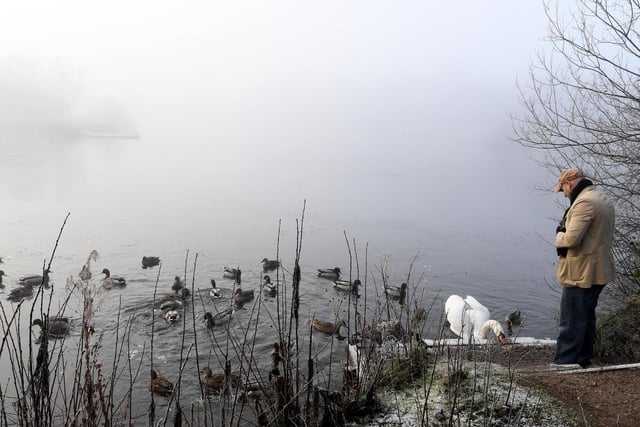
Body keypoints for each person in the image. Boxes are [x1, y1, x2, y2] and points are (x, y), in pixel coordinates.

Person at [553, 168, 615, 368]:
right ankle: (583, 359)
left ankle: (565, 363)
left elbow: (570, 238)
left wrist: (558, 236)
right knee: (586, 317)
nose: (564, 194)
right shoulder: (601, 198)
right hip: (598, 269)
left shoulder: (584, 202)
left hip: (582, 272)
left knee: (571, 320)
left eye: (563, 189)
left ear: (569, 183)